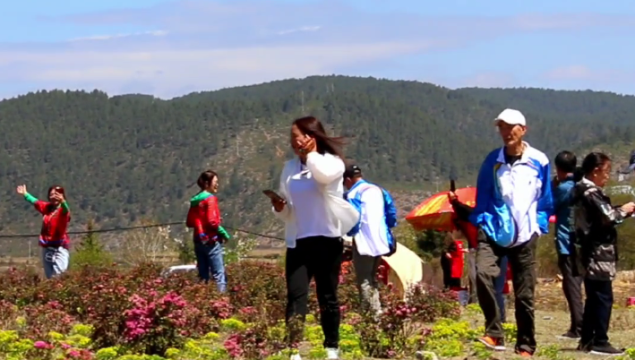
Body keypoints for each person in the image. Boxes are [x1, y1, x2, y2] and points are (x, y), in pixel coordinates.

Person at [271, 116, 359, 360]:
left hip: (327, 238)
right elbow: (289, 207)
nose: (294, 141)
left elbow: (322, 177)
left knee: (327, 295)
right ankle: (293, 350)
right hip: (299, 240)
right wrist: (280, 207)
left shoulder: (333, 163)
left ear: (312, 136)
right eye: (291, 137)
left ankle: (332, 347)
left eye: (298, 136)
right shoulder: (289, 168)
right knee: (296, 295)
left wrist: (310, 155)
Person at [469, 108, 553, 356]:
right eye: (502, 127)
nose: (506, 132)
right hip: (494, 230)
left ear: (523, 129)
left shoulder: (539, 160)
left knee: (524, 293)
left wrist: (539, 224)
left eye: (511, 127)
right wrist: (481, 220)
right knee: (483, 273)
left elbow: (545, 198)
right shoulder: (493, 161)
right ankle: (494, 333)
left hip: (526, 235)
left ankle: (526, 344)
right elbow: (482, 194)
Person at [571, 152, 635, 355]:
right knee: (602, 296)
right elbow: (609, 216)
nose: (607, 176)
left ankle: (587, 339)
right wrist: (624, 210)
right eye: (606, 171)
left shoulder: (582, 191)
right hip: (597, 251)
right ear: (596, 170)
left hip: (589, 250)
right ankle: (600, 339)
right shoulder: (591, 193)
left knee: (593, 297)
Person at [343, 164, 393, 318]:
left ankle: (368, 315)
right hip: (380, 240)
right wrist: (389, 227)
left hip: (363, 241)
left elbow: (354, 218)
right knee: (373, 277)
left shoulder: (353, 194)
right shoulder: (378, 190)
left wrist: (349, 234)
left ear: (348, 179)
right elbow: (391, 211)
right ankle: (377, 309)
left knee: (364, 279)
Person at [449, 191, 509, 320]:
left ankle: (491, 316)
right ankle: (500, 317)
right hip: (501, 250)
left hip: (480, 251)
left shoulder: (477, 216)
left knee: (482, 284)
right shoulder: (505, 213)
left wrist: (454, 201)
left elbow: (464, 211)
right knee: (496, 287)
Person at [552, 151, 583, 339]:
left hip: (566, 242)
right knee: (574, 284)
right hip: (580, 241)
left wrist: (553, 185)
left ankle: (578, 326)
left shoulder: (564, 189)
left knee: (571, 285)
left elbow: (549, 204)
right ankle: (577, 324)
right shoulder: (580, 185)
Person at [186, 170, 231, 293]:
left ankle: (202, 300)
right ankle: (221, 304)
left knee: (203, 274)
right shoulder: (210, 199)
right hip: (211, 240)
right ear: (207, 183)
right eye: (215, 182)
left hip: (198, 239)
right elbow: (212, 221)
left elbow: (190, 222)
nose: (217, 185)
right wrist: (224, 233)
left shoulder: (194, 200)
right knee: (219, 274)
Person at [16, 184, 71, 279]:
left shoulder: (63, 211)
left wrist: (63, 202)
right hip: (47, 248)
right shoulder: (47, 208)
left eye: (57, 194)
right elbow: (36, 202)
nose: (54, 196)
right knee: (50, 277)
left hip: (59, 248)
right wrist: (25, 194)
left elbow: (66, 210)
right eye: (52, 194)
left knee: (59, 275)